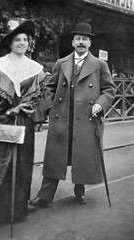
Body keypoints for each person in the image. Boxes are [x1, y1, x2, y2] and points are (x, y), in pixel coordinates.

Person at [29, 22, 116, 208]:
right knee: (55, 158)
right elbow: (50, 88)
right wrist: (51, 109)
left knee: (81, 156)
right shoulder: (61, 63)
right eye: (78, 39)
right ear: (73, 42)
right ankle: (44, 197)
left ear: (90, 43)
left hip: (86, 119)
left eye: (85, 39)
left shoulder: (100, 65)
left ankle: (80, 191)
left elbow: (109, 90)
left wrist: (100, 104)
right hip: (62, 119)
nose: (81, 42)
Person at [0, 18, 47, 229]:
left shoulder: (35, 69)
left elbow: (38, 98)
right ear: (9, 43)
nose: (22, 43)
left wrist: (22, 108)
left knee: (22, 166)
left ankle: (17, 211)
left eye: (25, 39)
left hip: (23, 123)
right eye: (17, 39)